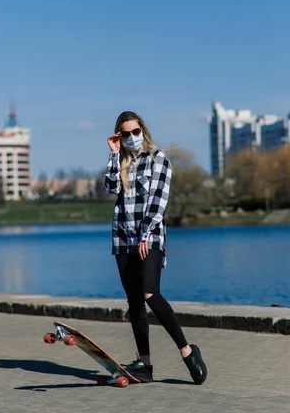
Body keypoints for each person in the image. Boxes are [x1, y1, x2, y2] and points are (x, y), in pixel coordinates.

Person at [103, 110, 207, 385]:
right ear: (120, 136)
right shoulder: (122, 161)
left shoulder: (158, 159)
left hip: (149, 238)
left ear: (143, 131)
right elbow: (109, 187)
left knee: (150, 293)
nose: (132, 137)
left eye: (135, 132)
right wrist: (114, 154)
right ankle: (145, 365)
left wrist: (145, 234)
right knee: (134, 301)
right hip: (123, 238)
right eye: (125, 134)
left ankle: (187, 352)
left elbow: (158, 202)